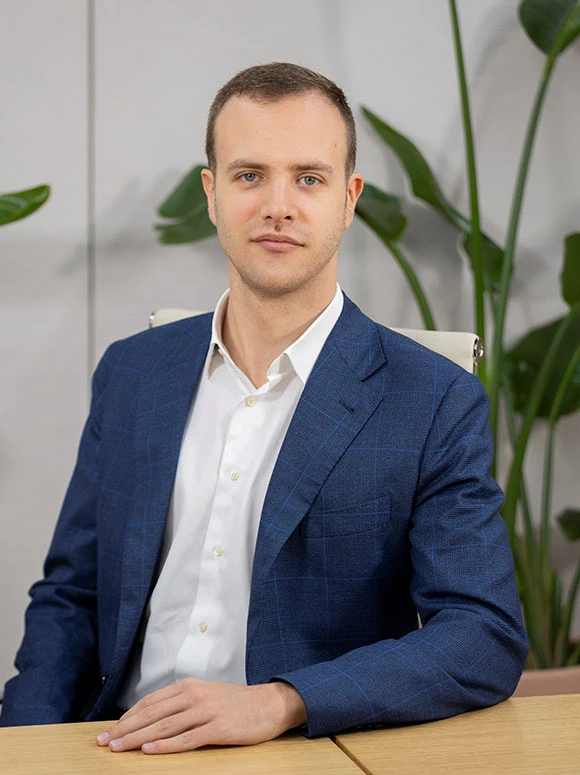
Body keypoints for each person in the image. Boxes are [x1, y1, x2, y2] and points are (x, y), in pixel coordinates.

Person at [0, 62, 528, 753]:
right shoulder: (132, 372)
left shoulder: (433, 399)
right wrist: (26, 746)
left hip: (300, 748)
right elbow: (70, 597)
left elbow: (483, 633)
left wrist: (283, 701)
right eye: (250, 176)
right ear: (212, 194)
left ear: (349, 198)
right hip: (114, 743)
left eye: (309, 178)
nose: (278, 205)